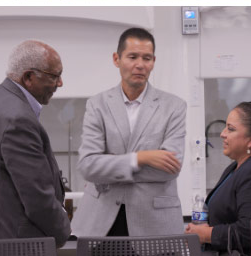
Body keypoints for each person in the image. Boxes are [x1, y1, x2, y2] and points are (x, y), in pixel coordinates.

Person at [72, 28, 186, 236]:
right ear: (117, 59)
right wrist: (141, 158)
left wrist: (109, 166)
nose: (140, 65)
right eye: (132, 57)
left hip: (155, 224)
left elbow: (171, 168)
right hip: (103, 223)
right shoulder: (97, 105)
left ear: (153, 61)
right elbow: (88, 166)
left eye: (147, 58)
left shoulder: (174, 106)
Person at [0, 40, 71, 246]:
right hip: (12, 242)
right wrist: (64, 230)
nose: (60, 83)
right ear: (28, 77)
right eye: (54, 76)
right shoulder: (18, 118)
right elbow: (37, 197)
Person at [185, 102, 251, 254]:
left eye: (230, 129)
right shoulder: (236, 168)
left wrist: (205, 234)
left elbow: (248, 231)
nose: (222, 134)